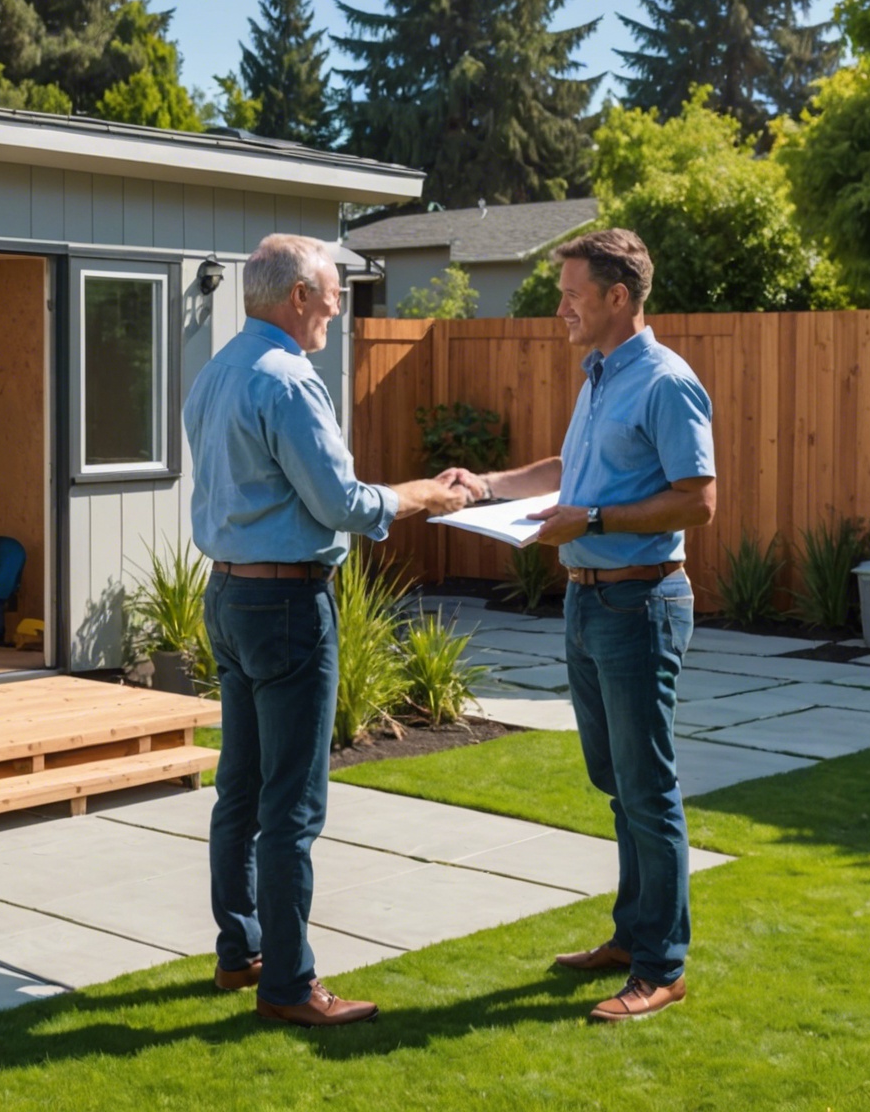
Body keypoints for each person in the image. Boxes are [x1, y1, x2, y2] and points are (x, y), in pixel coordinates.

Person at [185, 233, 469, 1028]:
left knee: (239, 787)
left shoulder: (215, 373)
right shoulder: (288, 381)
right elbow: (342, 505)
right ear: (298, 297)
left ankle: (240, 951)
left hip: (229, 599)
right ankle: (289, 985)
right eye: (333, 290)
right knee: (293, 807)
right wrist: (426, 494)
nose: (341, 304)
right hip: (284, 607)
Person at [440, 228, 715, 1023]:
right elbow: (570, 471)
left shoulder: (666, 382)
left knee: (648, 788)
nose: (559, 308)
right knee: (615, 782)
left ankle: (663, 966)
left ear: (618, 298)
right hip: (587, 601)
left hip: (641, 603)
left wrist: (592, 516)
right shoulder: (599, 376)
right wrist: (488, 484)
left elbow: (698, 499)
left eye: (571, 295)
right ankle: (633, 935)